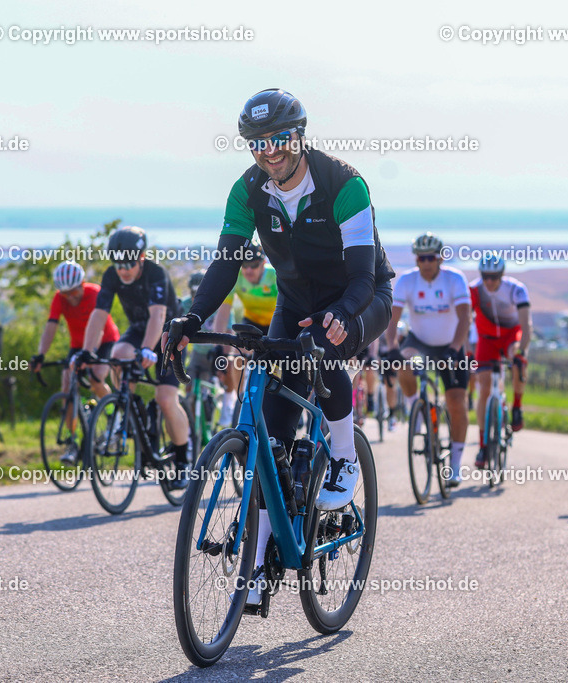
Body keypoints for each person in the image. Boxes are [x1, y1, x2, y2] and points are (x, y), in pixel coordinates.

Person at [164, 88, 394, 606]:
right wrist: (192, 318)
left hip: (360, 298)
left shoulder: (344, 183)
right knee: (271, 432)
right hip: (294, 302)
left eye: (280, 139)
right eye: (257, 143)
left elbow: (363, 274)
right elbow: (226, 263)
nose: (269, 151)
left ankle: (343, 455)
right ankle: (260, 564)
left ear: (300, 136)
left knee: (324, 348)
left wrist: (342, 313)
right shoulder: (247, 191)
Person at [81, 226, 192, 480]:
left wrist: (147, 349)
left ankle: (183, 461)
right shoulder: (112, 275)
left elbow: (158, 316)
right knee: (118, 353)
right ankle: (129, 408)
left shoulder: (156, 273)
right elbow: (99, 315)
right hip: (138, 331)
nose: (123, 270)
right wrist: (86, 351)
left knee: (166, 399)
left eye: (128, 264)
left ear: (141, 258)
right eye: (118, 264)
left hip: (168, 335)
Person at [386, 232, 471, 487]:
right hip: (419, 342)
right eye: (421, 258)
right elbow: (393, 318)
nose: (425, 263)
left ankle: (455, 464)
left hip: (450, 344)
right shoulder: (408, 280)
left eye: (430, 258)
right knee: (402, 361)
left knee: (456, 401)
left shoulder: (454, 279)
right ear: (416, 259)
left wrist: (454, 348)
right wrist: (392, 347)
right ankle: (416, 407)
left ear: (440, 258)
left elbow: (465, 318)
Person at [31, 262, 119, 465]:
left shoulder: (95, 293)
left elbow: (98, 328)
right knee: (67, 385)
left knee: (96, 377)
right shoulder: (59, 298)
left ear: (82, 283)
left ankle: (113, 416)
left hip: (105, 340)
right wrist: (40, 355)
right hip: (78, 345)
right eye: (66, 293)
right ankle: (72, 442)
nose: (70, 297)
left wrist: (90, 355)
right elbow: (51, 326)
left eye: (74, 291)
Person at [469, 253, 532, 468]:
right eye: (485, 276)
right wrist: (466, 349)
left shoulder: (516, 289)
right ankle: (483, 445)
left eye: (494, 277)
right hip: (486, 340)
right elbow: (465, 320)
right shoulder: (474, 290)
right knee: (484, 389)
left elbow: (526, 326)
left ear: (501, 275)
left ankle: (517, 406)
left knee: (518, 361)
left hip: (510, 336)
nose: (489, 281)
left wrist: (522, 351)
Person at [211, 239, 279, 426]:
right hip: (252, 323)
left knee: (281, 361)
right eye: (244, 265)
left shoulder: (274, 276)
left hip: (276, 321)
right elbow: (223, 312)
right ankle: (241, 399)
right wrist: (218, 345)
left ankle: (282, 399)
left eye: (253, 265)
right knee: (236, 357)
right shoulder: (237, 277)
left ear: (263, 263)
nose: (248, 270)